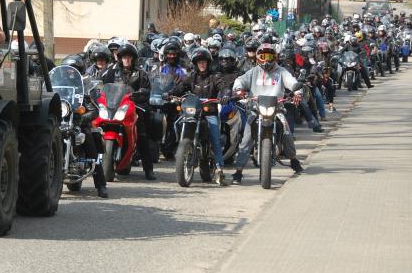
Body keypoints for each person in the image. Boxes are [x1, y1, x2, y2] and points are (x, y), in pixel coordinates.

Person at [231, 43, 305, 184]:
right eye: (263, 56)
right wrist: (239, 89)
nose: (266, 60)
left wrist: (297, 92)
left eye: (269, 56)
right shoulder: (253, 72)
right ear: (258, 57)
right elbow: (240, 80)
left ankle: (293, 159)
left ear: (275, 57)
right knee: (246, 140)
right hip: (256, 110)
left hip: (277, 110)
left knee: (287, 135)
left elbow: (292, 82)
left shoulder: (281, 72)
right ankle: (239, 171)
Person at [169, 48, 230, 185]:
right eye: (199, 62)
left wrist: (225, 94)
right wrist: (170, 93)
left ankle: (219, 169)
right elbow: (181, 87)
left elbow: (224, 86)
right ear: (196, 64)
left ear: (208, 63)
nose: (202, 64)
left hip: (209, 112)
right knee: (178, 123)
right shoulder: (192, 77)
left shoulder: (214, 77)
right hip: (194, 112)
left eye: (204, 62)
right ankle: (182, 149)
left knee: (215, 138)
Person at [101, 43, 156, 180]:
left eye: (129, 57)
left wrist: (139, 94)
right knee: (98, 128)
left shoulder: (141, 73)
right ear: (120, 58)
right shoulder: (112, 72)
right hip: (115, 107)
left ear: (133, 58)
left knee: (142, 136)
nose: (126, 59)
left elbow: (146, 90)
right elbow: (102, 87)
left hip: (134, 108)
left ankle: (148, 170)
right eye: (124, 57)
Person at [61, 55, 109, 198]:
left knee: (91, 147)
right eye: (68, 70)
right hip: (61, 122)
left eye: (74, 70)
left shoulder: (85, 86)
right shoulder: (58, 86)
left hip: (79, 124)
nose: (71, 72)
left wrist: (81, 120)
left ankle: (101, 185)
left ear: (80, 71)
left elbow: (94, 110)